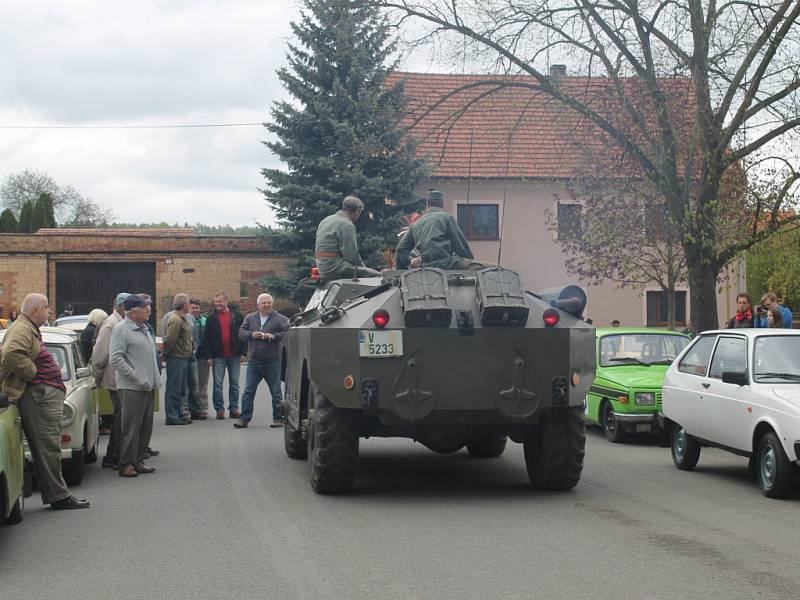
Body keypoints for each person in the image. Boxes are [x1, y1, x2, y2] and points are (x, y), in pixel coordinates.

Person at [0, 293, 90, 509]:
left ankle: (57, 495)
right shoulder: (22, 328)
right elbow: (11, 353)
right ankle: (59, 497)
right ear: (35, 311)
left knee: (49, 446)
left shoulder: (26, 327)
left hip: (43, 394)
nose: (50, 311)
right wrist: (33, 372)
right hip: (39, 396)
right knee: (48, 447)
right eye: (46, 307)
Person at [110, 295, 160, 477]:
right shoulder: (121, 329)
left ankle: (138, 460)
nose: (148, 310)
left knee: (145, 426)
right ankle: (126, 464)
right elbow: (116, 358)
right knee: (131, 427)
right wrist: (136, 376)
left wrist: (154, 379)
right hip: (132, 387)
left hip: (147, 385)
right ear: (131, 312)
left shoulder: (143, 329)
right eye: (144, 307)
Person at [236, 293, 290, 429]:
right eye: (264, 303)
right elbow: (241, 333)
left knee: (276, 391)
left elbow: (288, 333)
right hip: (254, 361)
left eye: (269, 303)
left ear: (272, 304)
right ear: (258, 305)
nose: (267, 305)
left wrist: (273, 336)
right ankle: (244, 419)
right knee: (248, 391)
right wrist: (252, 334)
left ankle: (278, 418)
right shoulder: (250, 317)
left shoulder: (280, 319)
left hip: (272, 361)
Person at [395, 189, 481, 269]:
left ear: (427, 204)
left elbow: (401, 249)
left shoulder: (416, 224)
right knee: (490, 268)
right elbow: (461, 246)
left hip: (425, 266)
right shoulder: (446, 218)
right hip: (447, 264)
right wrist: (471, 263)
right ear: (442, 204)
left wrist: (402, 271)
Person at [93, 293, 130, 467]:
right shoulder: (111, 323)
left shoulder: (118, 322)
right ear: (122, 307)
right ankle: (113, 455)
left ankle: (115, 453)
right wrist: (97, 372)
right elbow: (100, 352)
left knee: (120, 417)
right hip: (114, 377)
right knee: (119, 417)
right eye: (128, 307)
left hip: (117, 377)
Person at [314, 195, 380, 279]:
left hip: (322, 267)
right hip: (335, 267)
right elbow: (351, 255)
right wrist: (364, 269)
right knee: (376, 275)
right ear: (357, 211)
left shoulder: (326, 220)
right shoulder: (347, 224)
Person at [203, 292, 246, 419]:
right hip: (218, 356)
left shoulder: (237, 316)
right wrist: (209, 356)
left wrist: (243, 353)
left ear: (226, 301)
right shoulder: (211, 318)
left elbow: (243, 335)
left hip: (235, 355)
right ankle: (219, 409)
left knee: (234, 384)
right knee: (218, 384)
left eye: (219, 301)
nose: (217, 304)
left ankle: (233, 409)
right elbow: (207, 339)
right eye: (215, 302)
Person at [162, 293, 194, 425]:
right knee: (173, 388)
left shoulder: (182, 317)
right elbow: (169, 340)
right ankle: (172, 416)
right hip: (176, 357)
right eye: (188, 304)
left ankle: (178, 414)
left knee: (180, 388)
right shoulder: (175, 319)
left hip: (183, 357)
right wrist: (166, 354)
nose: (190, 306)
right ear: (185, 305)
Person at [189, 298, 209, 419]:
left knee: (202, 384)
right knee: (190, 384)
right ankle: (191, 408)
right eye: (193, 308)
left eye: (197, 307)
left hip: (202, 357)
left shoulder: (205, 321)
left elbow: (208, 340)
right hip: (189, 357)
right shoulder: (186, 320)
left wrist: (209, 356)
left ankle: (202, 408)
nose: (195, 310)